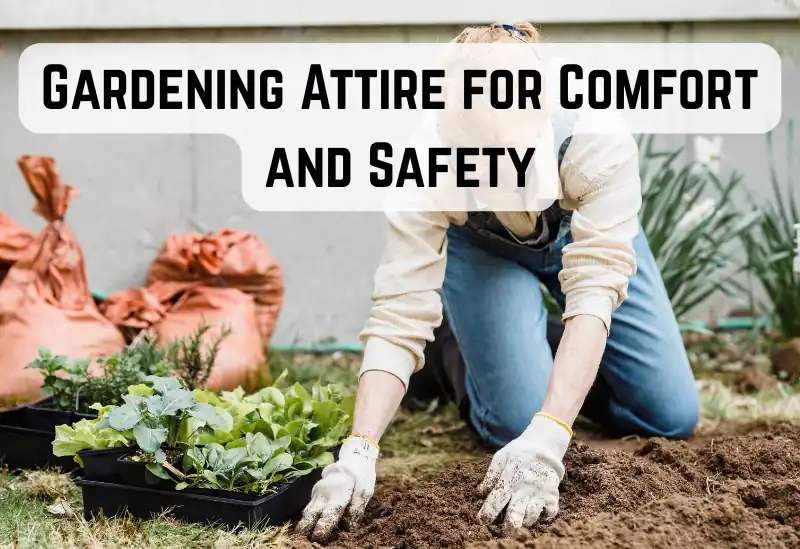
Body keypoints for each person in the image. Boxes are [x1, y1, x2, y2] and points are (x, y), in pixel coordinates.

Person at [297, 21, 700, 542]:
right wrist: (358, 451)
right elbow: (400, 312)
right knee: (514, 423)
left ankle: (536, 349)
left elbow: (596, 288)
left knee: (670, 415)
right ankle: (453, 351)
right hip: (479, 249)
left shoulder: (595, 140)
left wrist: (552, 433)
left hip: (581, 235)